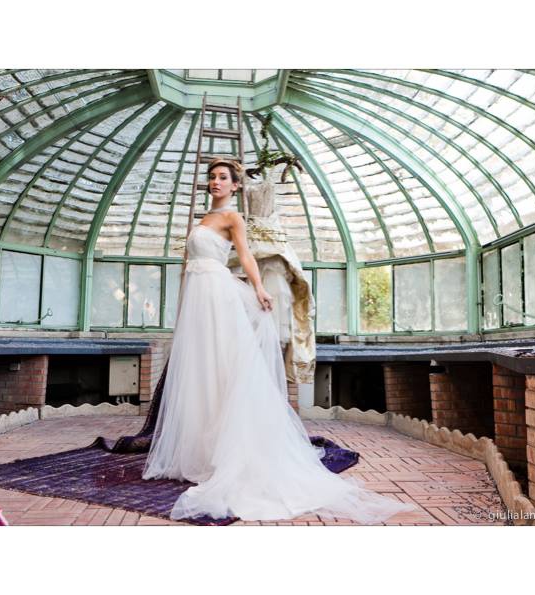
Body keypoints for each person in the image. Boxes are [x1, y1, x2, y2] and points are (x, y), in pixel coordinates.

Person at [141, 158, 416, 524]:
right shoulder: (203, 219)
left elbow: (245, 256)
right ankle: (203, 452)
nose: (215, 182)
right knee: (201, 372)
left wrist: (258, 288)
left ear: (236, 185)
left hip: (217, 294)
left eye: (223, 177)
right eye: (212, 177)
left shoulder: (232, 218)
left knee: (225, 367)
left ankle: (236, 452)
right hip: (197, 298)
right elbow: (187, 264)